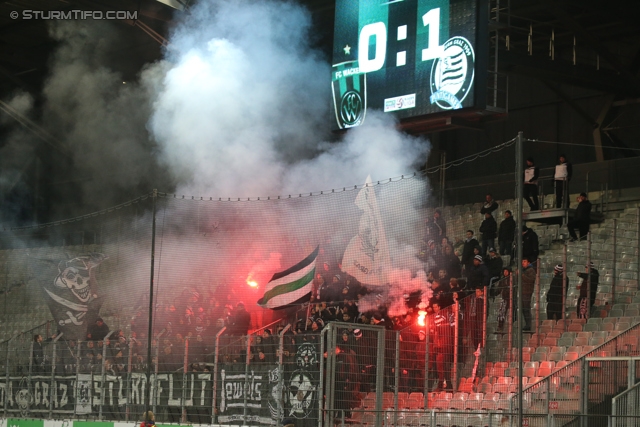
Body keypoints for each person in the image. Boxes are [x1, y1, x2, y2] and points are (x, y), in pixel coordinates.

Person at [520, 258, 536, 331]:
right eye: (522, 261)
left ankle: (528, 324)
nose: (523, 263)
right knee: (524, 309)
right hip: (522, 292)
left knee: (526, 308)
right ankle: (527, 324)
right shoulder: (523, 270)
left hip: (527, 292)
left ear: (528, 262)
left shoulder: (531, 270)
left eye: (524, 261)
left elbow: (531, 280)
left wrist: (522, 275)